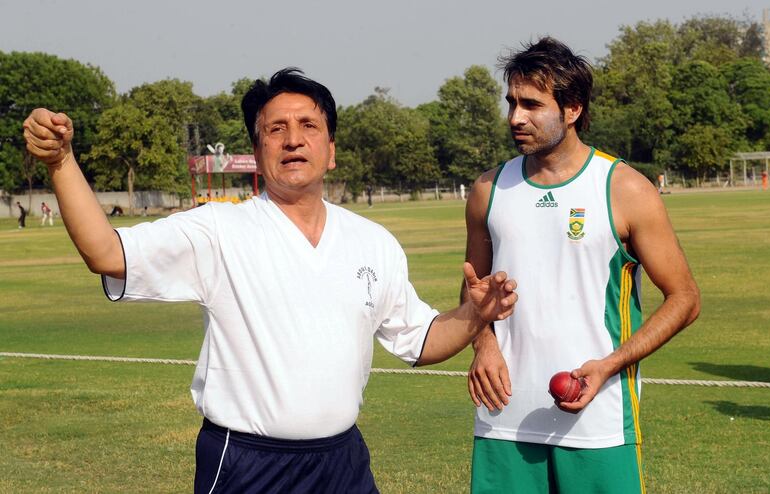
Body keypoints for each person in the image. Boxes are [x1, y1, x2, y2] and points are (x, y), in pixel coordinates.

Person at [23, 68, 518, 494]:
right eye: (275, 128)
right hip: (247, 464)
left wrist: (474, 316)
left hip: (343, 462)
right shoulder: (218, 230)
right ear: (258, 151)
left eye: (309, 125)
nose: (293, 138)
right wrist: (61, 163)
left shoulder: (373, 241)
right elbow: (107, 253)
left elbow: (421, 339)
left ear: (331, 151)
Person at [464, 38, 700, 494]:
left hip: (599, 421)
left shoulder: (623, 188)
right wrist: (482, 344)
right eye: (511, 102)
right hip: (502, 419)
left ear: (572, 109)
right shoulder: (488, 189)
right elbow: (474, 293)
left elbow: (685, 299)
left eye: (531, 104)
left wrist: (610, 365)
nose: (515, 117)